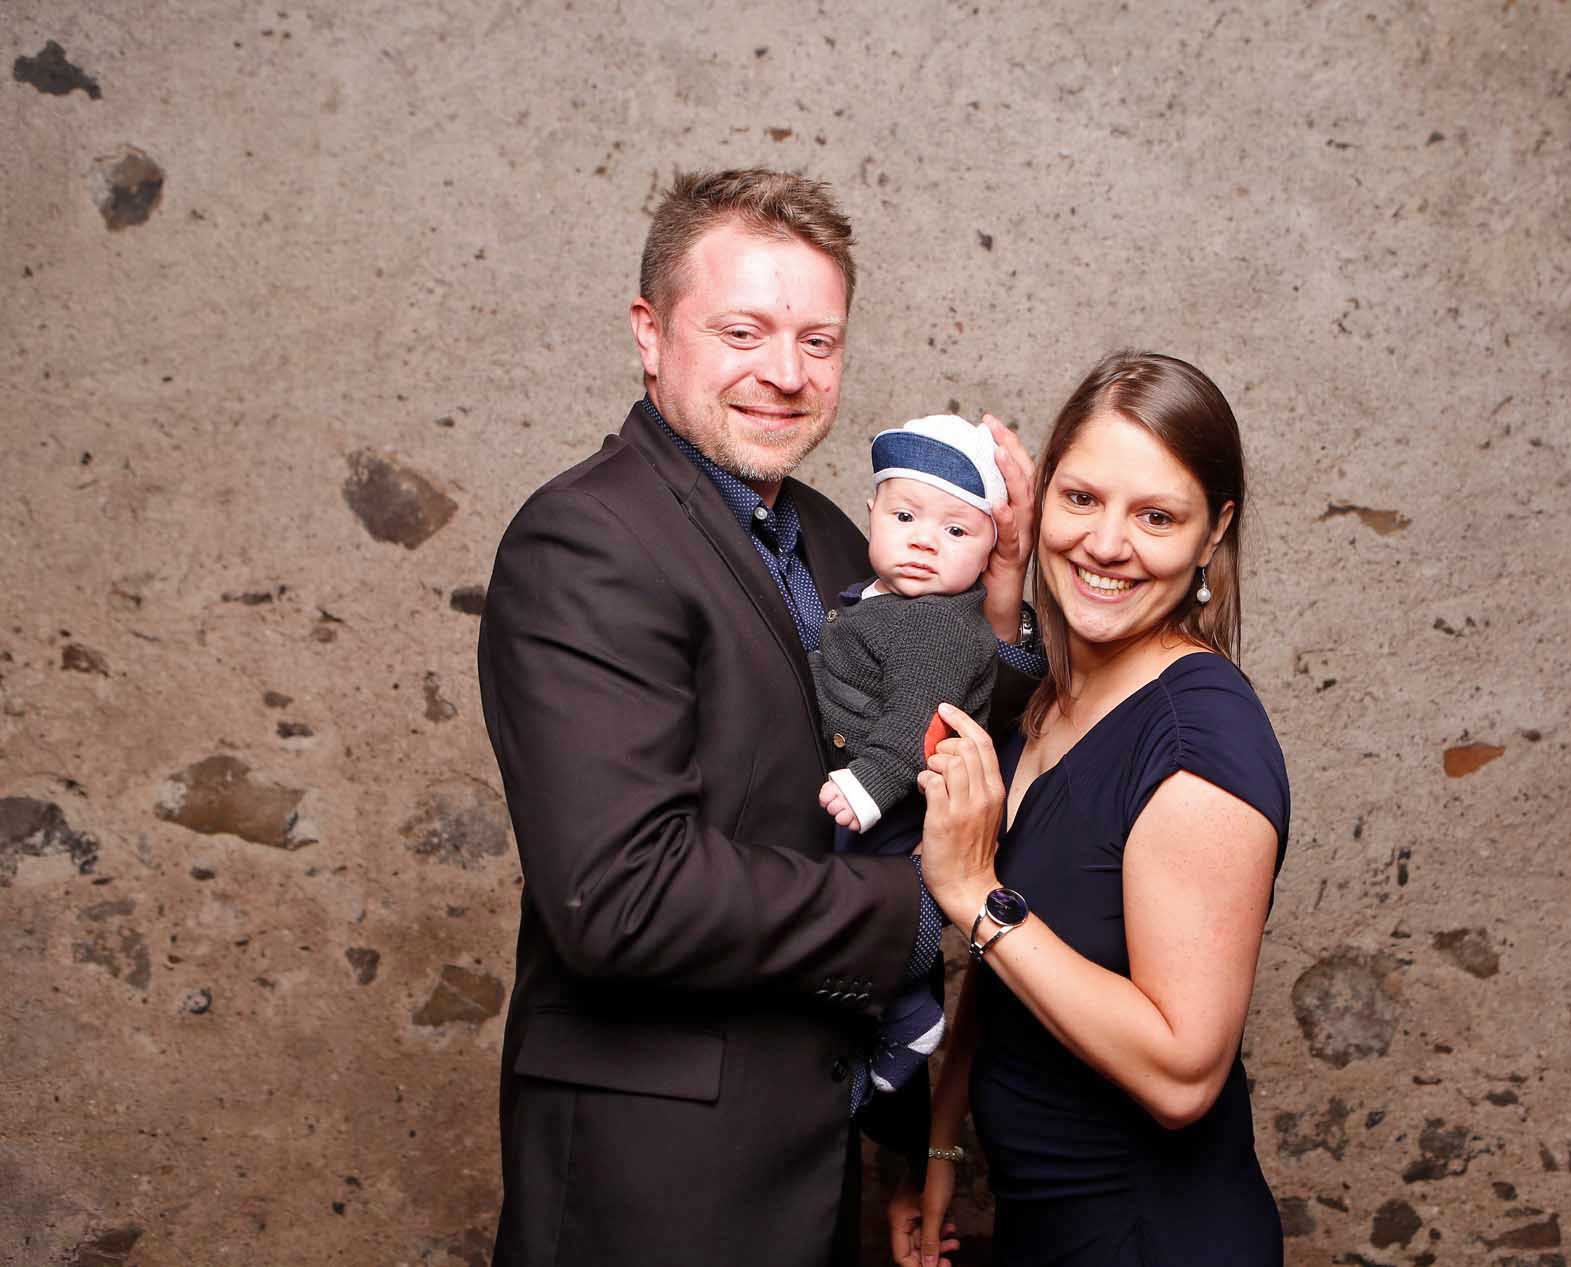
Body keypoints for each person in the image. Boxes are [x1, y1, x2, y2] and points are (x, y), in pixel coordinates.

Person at [476, 168, 1040, 1267]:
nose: (786, 374)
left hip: (812, 1155)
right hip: (655, 1187)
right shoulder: (584, 541)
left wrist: (1006, 585)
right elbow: (622, 896)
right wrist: (923, 904)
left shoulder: (834, 534)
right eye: (743, 331)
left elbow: (932, 712)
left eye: (817, 341)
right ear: (650, 334)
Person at [892, 351, 1292, 1267]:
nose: (1106, 544)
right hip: (1047, 1227)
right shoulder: (1056, 694)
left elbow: (1182, 1074)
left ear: (1213, 533)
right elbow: (1022, 965)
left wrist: (974, 892)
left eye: (1156, 516)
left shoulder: (1200, 737)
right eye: (1081, 499)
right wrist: (942, 1142)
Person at [814, 414, 1008, 1101]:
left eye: (957, 531)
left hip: (895, 808)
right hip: (870, 795)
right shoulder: (883, 601)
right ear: (872, 512)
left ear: (990, 551)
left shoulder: (939, 627)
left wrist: (869, 784)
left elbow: (918, 719)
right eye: (905, 516)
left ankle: (907, 1017)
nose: (925, 540)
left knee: (879, 915)